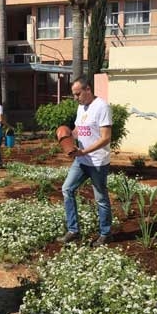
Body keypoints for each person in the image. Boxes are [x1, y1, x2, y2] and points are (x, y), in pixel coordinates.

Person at [58, 75, 113, 247]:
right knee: (67, 189)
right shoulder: (81, 107)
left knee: (101, 199)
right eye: (74, 95)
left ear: (88, 89)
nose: (75, 98)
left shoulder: (102, 107)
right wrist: (67, 134)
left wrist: (83, 151)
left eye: (77, 94)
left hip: (97, 162)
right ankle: (73, 230)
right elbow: (78, 130)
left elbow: (106, 138)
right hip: (81, 161)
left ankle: (105, 233)